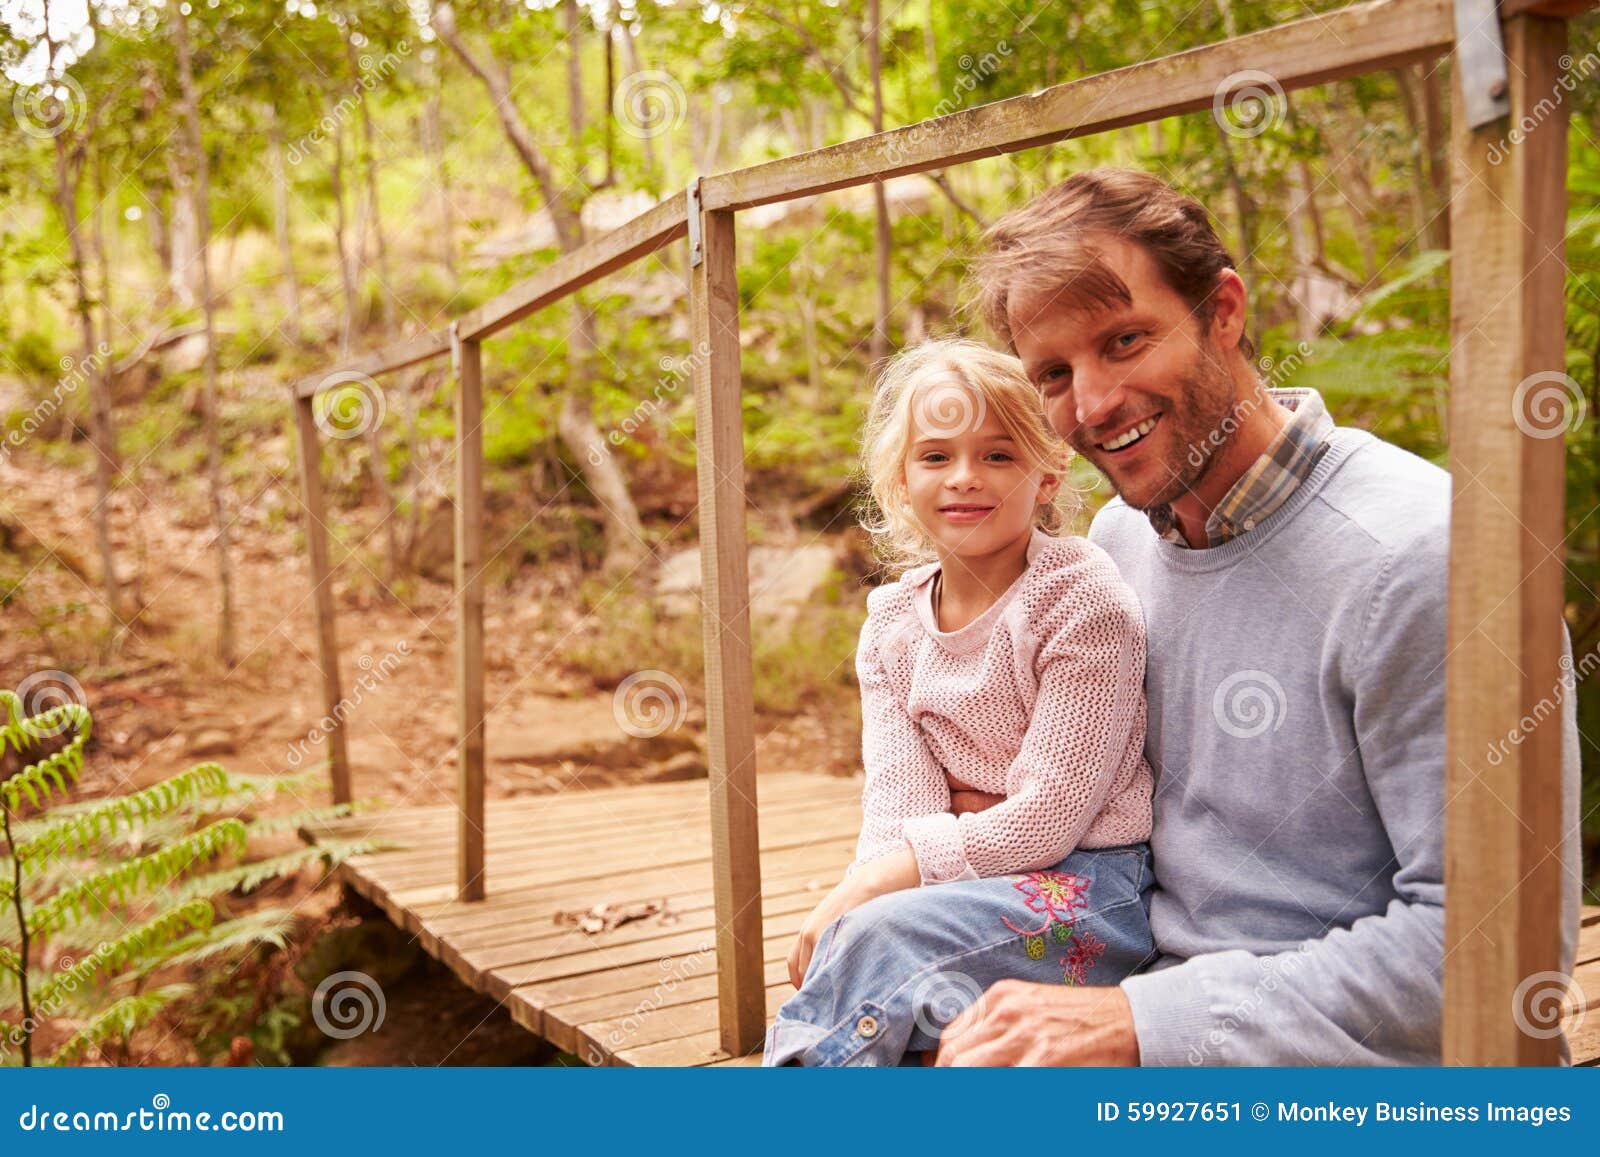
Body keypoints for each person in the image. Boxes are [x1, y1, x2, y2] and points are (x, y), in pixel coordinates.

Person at [926, 167, 1581, 1065]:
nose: (1094, 403)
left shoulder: (1427, 556)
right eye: (1055, 373)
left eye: (1124, 341)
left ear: (1224, 311)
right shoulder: (1115, 548)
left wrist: (1143, 1024)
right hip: (1137, 1008)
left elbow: (1492, 952)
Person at [762, 338, 1157, 1066]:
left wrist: (877, 887)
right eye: (936, 456)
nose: (965, 477)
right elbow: (897, 809)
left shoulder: (1080, 601)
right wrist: (872, 887)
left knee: (881, 935)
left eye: (998, 454)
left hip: (1092, 891)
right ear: (901, 482)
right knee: (870, 941)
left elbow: (1047, 818)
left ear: (1047, 473)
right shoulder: (891, 624)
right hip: (967, 889)